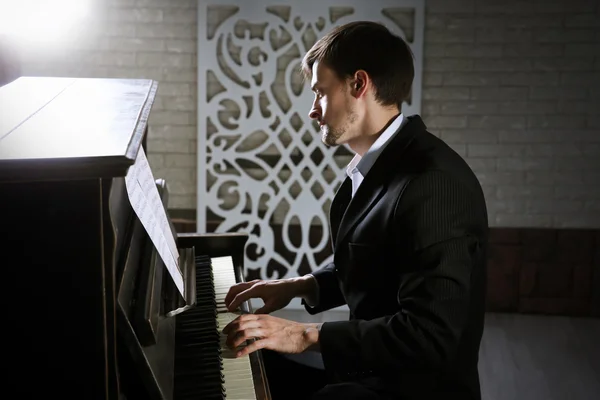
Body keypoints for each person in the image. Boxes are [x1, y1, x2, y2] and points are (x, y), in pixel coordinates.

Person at [222, 20, 489, 400]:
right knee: (253, 361)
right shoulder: (380, 165)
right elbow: (379, 262)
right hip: (372, 368)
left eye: (320, 93)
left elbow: (432, 335)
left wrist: (302, 334)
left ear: (359, 84)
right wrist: (302, 286)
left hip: (413, 387)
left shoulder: (433, 183)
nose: (313, 110)